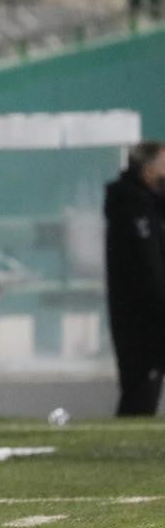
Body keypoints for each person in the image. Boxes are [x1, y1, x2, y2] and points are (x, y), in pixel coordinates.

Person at [104, 141, 165, 416]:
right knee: (140, 386)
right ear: (147, 169)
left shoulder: (150, 205)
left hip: (147, 311)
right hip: (140, 314)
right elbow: (148, 266)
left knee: (144, 387)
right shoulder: (133, 207)